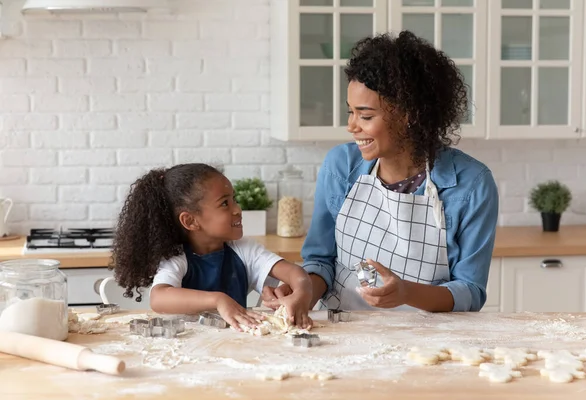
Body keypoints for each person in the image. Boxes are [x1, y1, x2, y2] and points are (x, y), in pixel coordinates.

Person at [263, 31, 499, 313]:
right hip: (345, 332)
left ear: (409, 115)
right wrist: (302, 293)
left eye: (365, 116)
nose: (352, 126)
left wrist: (405, 292)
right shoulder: (341, 166)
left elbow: (470, 292)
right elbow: (321, 262)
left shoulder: (471, 185)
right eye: (350, 112)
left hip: (426, 341)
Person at [109, 163, 313, 331]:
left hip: (235, 348)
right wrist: (218, 300)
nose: (237, 210)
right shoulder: (178, 257)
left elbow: (296, 274)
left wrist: (301, 294)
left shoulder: (244, 249)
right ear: (190, 221)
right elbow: (159, 298)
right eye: (225, 204)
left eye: (235, 200)